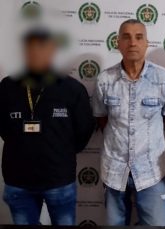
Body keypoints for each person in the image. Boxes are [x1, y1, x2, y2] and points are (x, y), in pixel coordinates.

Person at [0, 27, 95, 225]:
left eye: (41, 47)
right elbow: (2, 128)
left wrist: (61, 152)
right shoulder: (6, 87)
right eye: (30, 48)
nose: (35, 53)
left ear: (52, 51)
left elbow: (84, 131)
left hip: (59, 181)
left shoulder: (72, 89)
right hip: (18, 182)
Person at [93, 19, 165, 226]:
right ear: (117, 43)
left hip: (151, 170)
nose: (133, 43)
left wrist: (147, 138)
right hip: (114, 169)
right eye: (126, 37)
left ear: (146, 43)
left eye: (139, 37)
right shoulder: (104, 80)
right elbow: (102, 118)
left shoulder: (163, 78)